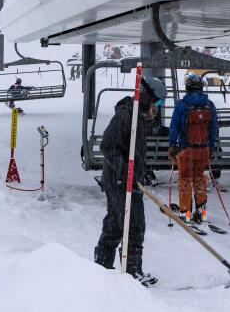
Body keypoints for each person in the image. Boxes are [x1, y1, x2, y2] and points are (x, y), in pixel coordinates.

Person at [94, 74, 165, 286]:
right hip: (119, 179)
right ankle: (132, 272)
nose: (158, 107)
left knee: (116, 223)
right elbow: (108, 146)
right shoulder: (125, 117)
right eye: (157, 102)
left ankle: (102, 267)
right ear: (146, 96)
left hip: (129, 179)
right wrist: (127, 172)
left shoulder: (139, 116)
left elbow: (135, 148)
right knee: (133, 225)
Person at [168, 73, 219, 226]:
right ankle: (201, 211)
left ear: (187, 87)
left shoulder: (182, 105)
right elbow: (214, 128)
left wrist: (172, 144)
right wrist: (211, 145)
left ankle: (186, 212)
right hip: (203, 149)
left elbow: (174, 126)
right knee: (199, 178)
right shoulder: (209, 105)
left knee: (184, 179)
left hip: (186, 149)